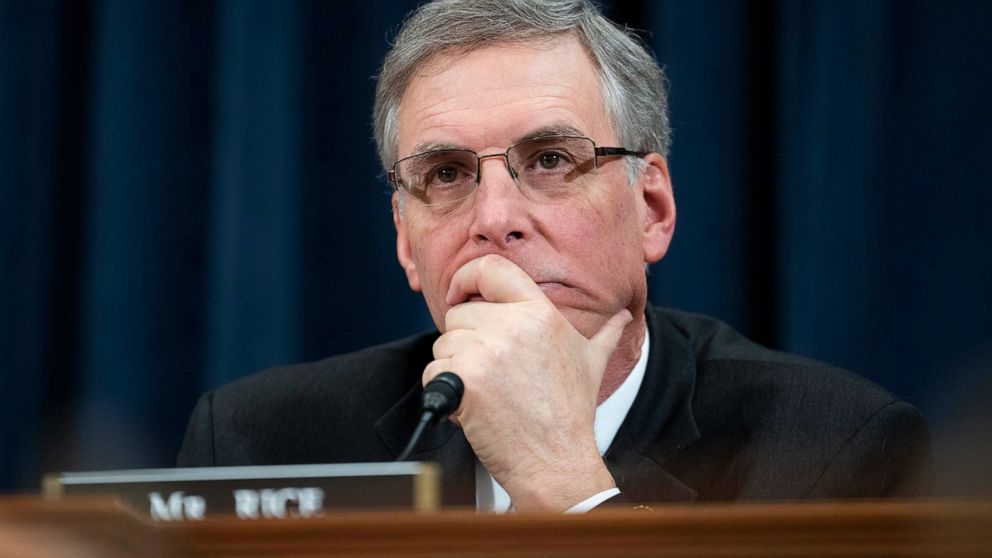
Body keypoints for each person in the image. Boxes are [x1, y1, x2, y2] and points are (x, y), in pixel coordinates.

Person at [178, 0, 932, 511]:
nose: (495, 220)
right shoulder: (256, 442)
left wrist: (566, 486)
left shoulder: (839, 454)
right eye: (445, 175)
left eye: (549, 160)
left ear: (652, 210)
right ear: (407, 243)